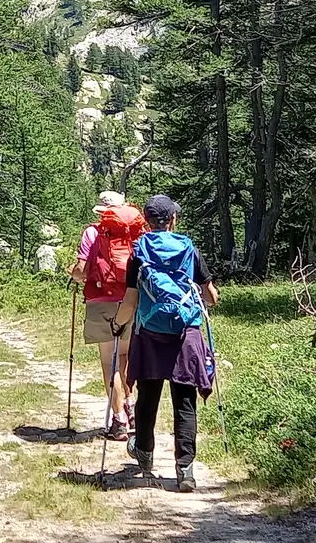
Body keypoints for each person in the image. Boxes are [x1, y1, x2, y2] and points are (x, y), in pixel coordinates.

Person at [110, 193, 217, 491]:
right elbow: (211, 296)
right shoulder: (188, 248)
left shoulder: (139, 251)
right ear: (172, 220)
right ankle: (185, 471)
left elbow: (130, 300)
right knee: (185, 401)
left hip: (151, 333)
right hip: (187, 333)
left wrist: (118, 324)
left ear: (146, 221)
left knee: (148, 397)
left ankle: (144, 454)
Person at [69, 190, 140, 438]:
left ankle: (119, 419)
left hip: (101, 301)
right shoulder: (135, 233)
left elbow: (81, 271)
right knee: (126, 357)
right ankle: (132, 408)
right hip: (132, 299)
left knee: (108, 362)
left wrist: (73, 273)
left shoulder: (92, 233)